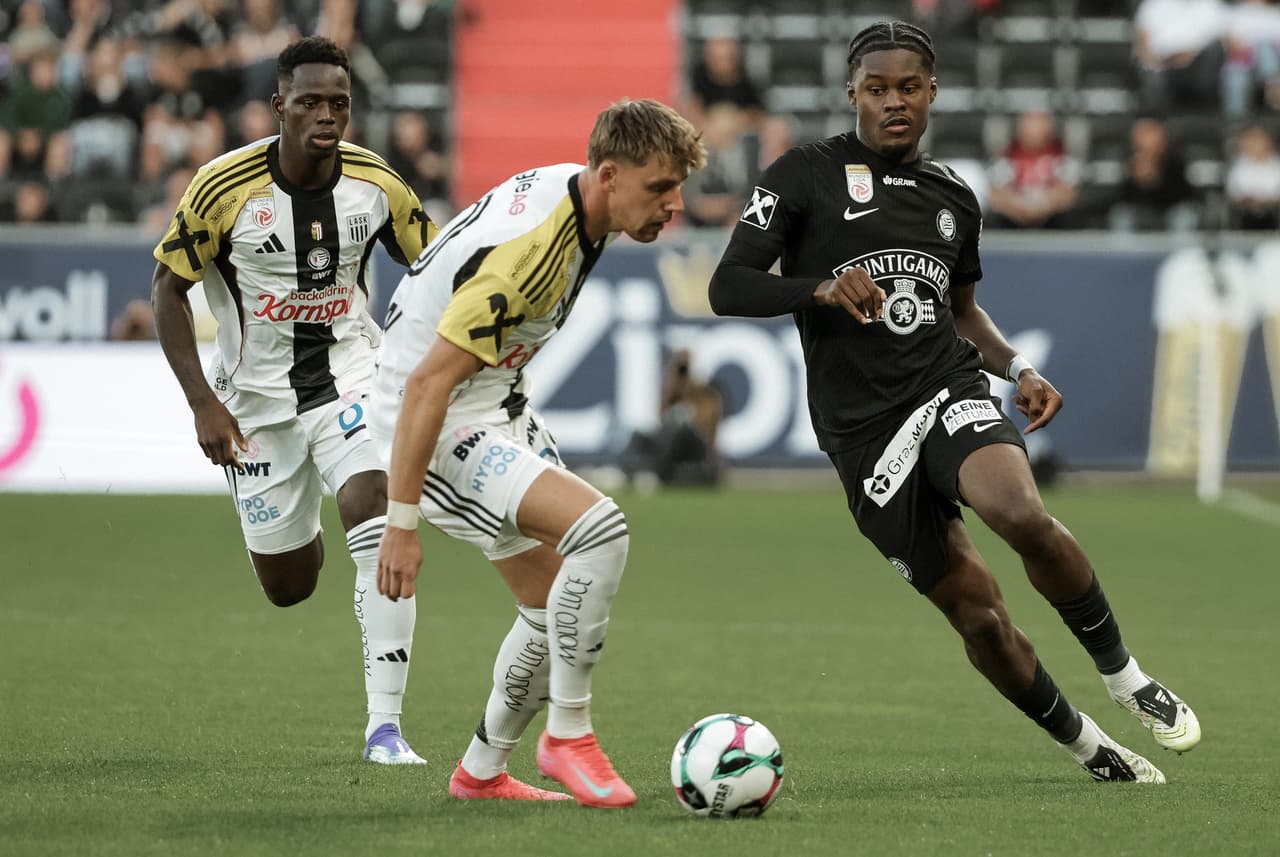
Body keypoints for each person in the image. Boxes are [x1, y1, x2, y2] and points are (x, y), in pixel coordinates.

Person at [709, 20, 1200, 784]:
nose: (894, 102)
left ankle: (1125, 676)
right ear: (852, 93)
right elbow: (727, 285)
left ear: (932, 92)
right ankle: (1087, 744)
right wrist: (820, 287)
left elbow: (963, 311)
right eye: (877, 89)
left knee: (1020, 513)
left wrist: (1018, 367)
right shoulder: (802, 174)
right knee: (980, 615)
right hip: (863, 435)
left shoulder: (952, 196)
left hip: (945, 387)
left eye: (909, 87)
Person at [373, 98, 706, 806]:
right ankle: (568, 734)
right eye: (659, 187)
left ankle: (481, 774)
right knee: (601, 530)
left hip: (493, 401)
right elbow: (427, 382)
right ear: (609, 175)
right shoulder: (532, 253)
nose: (674, 204)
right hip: (430, 420)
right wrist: (400, 523)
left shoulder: (579, 198)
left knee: (553, 604)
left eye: (678, 187)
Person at [151, 36, 437, 765]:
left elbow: (435, 268)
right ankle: (300, 503)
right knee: (288, 586)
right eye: (310, 102)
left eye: (339, 103)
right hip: (254, 404)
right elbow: (167, 291)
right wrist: (202, 404)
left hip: (351, 374)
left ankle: (385, 729)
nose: (326, 115)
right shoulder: (223, 187)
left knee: (371, 502)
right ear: (279, 106)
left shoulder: (377, 184)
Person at [986, 109, 1079, 230]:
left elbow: (1068, 193)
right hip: (1014, 217)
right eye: (1030, 122)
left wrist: (1042, 208)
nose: (1035, 129)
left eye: (1040, 123)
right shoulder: (1008, 156)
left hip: (1050, 217)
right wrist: (1019, 208)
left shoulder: (1061, 156)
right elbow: (997, 193)